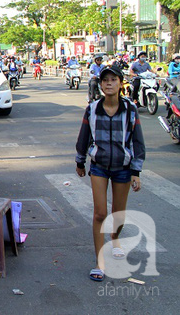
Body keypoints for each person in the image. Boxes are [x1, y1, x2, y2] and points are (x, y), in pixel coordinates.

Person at [75, 64, 144, 282]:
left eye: (114, 79)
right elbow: (84, 136)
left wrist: (136, 171)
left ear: (121, 83)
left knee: (118, 213)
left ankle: (115, 239)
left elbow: (137, 141)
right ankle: (100, 261)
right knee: (99, 214)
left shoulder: (130, 109)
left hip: (123, 167)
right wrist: (80, 161)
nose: (109, 83)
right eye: (105, 80)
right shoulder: (93, 108)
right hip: (99, 166)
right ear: (101, 84)